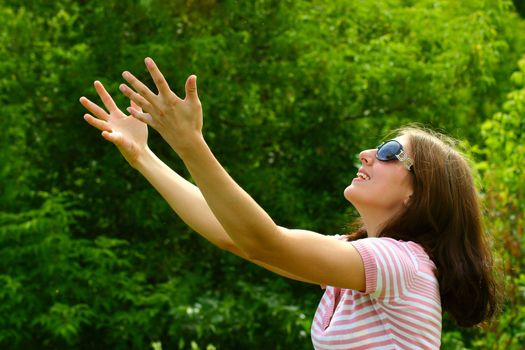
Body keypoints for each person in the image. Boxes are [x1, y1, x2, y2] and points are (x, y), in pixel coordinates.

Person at [80, 57, 500, 349]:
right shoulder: (362, 266)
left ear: (419, 193)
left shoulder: (402, 264)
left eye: (390, 151)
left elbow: (266, 241)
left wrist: (190, 144)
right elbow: (237, 237)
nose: (367, 154)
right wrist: (144, 157)